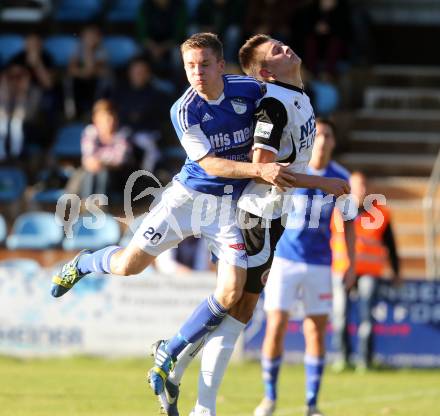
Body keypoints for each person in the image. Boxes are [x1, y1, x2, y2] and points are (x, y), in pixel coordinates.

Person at [51, 30, 297, 400]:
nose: (197, 73)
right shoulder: (184, 109)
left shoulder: (249, 90)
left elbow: (282, 107)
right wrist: (262, 171)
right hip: (187, 200)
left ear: (220, 64)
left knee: (231, 292)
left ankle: (172, 351)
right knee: (128, 266)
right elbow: (210, 164)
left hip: (229, 208)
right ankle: (86, 263)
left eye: (204, 65)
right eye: (190, 66)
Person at [156, 35, 350, 416]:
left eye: (282, 44)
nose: (287, 49)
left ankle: (190, 389)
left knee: (240, 313)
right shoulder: (274, 107)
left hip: (273, 216)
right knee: (235, 308)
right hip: (257, 215)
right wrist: (321, 182)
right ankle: (177, 364)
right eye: (276, 51)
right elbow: (264, 171)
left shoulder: (297, 97)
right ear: (266, 72)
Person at [253, 118, 356, 416]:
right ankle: (269, 398)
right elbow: (269, 212)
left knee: (315, 332)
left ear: (334, 142)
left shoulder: (340, 177)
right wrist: (267, 256)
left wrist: (350, 262)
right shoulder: (294, 169)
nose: (322, 140)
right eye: (319, 135)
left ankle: (312, 404)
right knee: (276, 326)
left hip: (320, 264)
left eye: (327, 135)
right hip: (284, 260)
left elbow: (349, 225)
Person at [331, 171, 401, 372]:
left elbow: (391, 245)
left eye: (363, 185)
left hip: (369, 270)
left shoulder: (380, 213)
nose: (360, 190)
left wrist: (396, 271)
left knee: (366, 316)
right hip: (342, 270)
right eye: (356, 185)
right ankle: (343, 358)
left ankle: (365, 360)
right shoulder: (337, 209)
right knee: (340, 315)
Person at [77, 99, 134, 201]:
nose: (109, 121)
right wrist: (97, 162)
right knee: (89, 172)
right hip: (94, 172)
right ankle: (87, 202)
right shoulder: (90, 132)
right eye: (104, 118)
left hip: (119, 177)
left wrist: (100, 162)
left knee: (104, 172)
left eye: (111, 116)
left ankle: (102, 204)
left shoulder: (124, 134)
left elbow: (120, 161)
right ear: (95, 119)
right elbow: (87, 158)